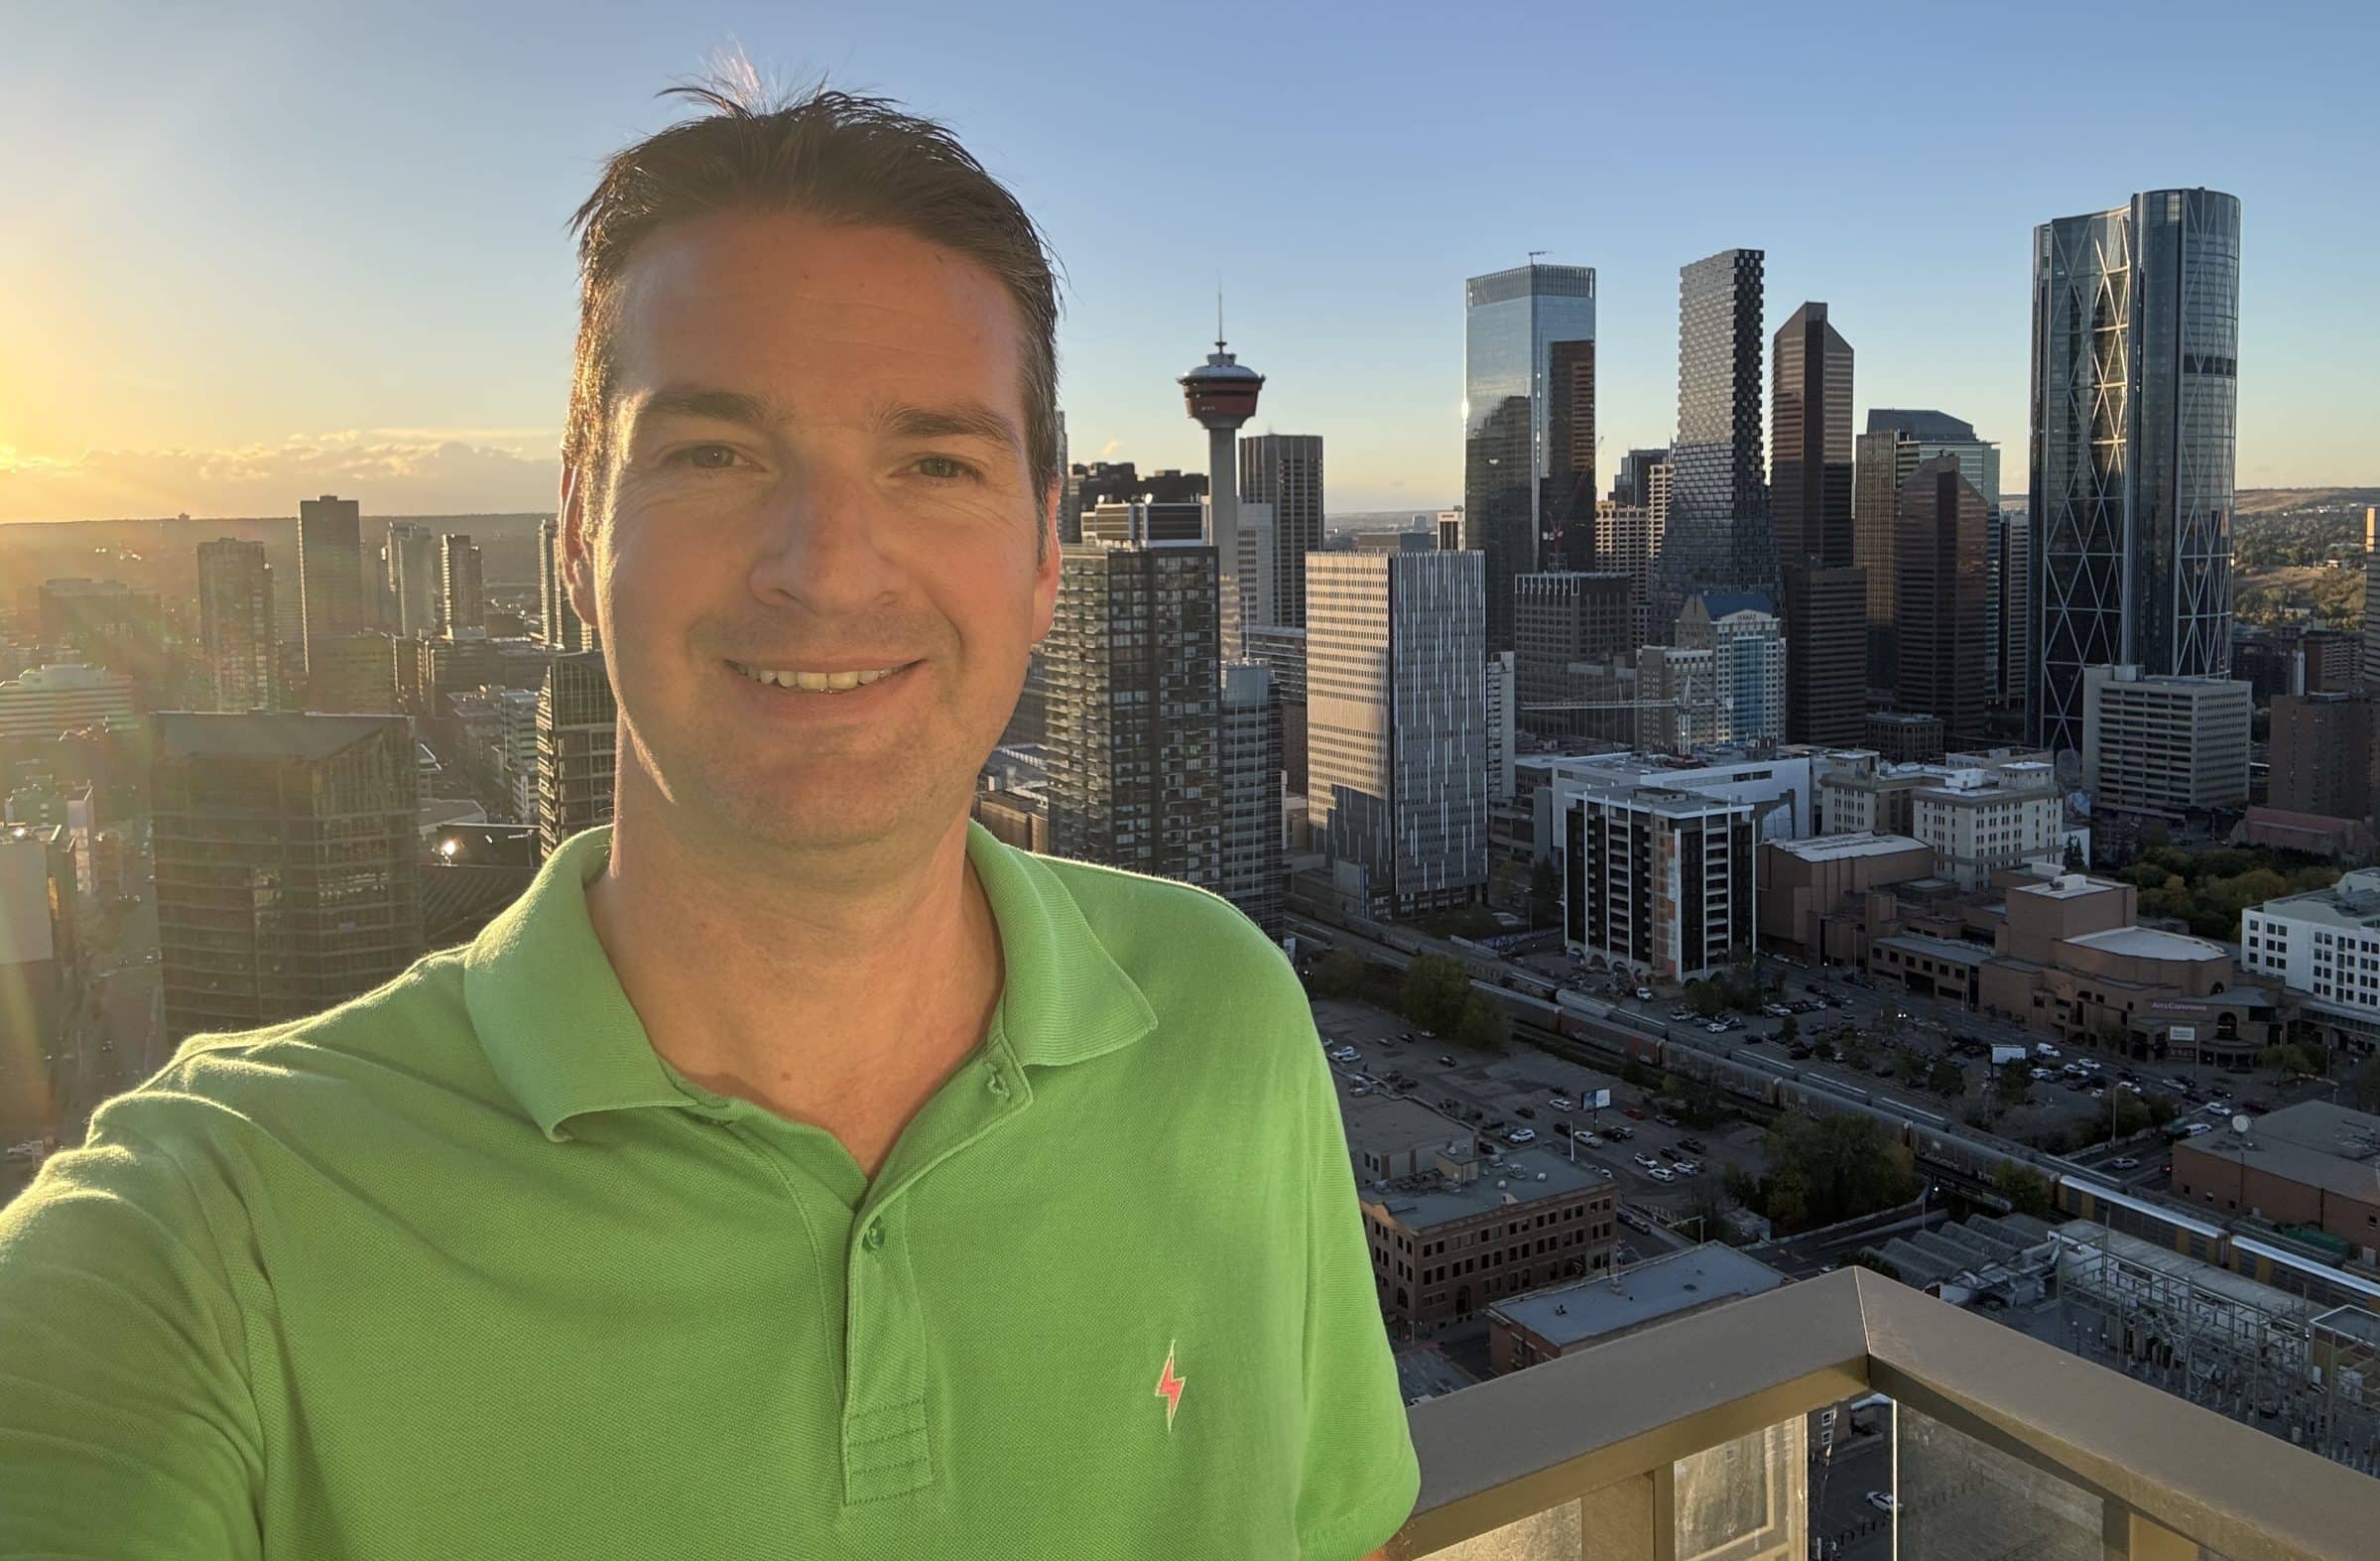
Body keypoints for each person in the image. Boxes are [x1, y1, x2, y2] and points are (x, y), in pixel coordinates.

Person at [0, 77, 1420, 1559]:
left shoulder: (1220, 1014)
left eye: (936, 463)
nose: (829, 567)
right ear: (576, 535)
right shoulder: (209, 1239)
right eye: (714, 456)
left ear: (1047, 556)